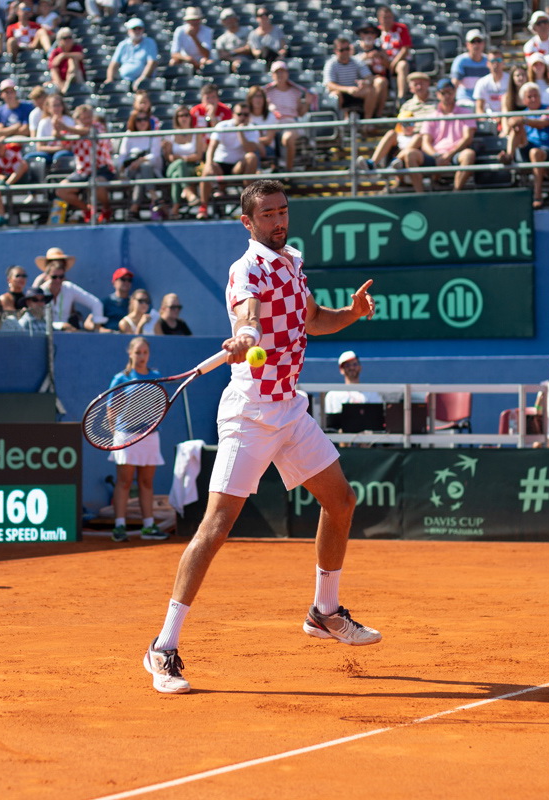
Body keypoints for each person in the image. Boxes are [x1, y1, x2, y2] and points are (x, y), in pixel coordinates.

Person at [143, 178, 379, 695]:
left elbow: (314, 319)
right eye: (267, 214)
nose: (279, 220)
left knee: (340, 502)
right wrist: (246, 334)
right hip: (250, 413)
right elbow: (248, 315)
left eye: (283, 211)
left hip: (290, 409)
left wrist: (353, 315)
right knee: (217, 526)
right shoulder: (244, 269)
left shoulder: (292, 260)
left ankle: (324, 612)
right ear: (247, 223)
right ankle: (163, 647)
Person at [107, 336, 167, 543]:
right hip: (126, 435)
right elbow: (111, 409)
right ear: (130, 353)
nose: (142, 357)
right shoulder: (120, 379)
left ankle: (148, 527)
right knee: (124, 482)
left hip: (149, 435)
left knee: (146, 482)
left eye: (145, 353)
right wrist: (116, 434)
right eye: (138, 352)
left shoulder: (156, 376)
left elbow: (159, 405)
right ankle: (120, 526)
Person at [197, 102, 262, 220]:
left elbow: (250, 149)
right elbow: (212, 147)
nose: (242, 117)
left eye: (246, 114)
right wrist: (208, 164)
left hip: (238, 167)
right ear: (233, 114)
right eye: (239, 114)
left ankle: (249, 201)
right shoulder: (222, 126)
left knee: (252, 157)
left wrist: (240, 133)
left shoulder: (253, 128)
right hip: (220, 166)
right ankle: (203, 207)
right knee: (207, 170)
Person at [324, 36, 378, 120]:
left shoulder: (357, 61)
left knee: (370, 91)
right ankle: (339, 124)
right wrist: (347, 89)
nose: (345, 52)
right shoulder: (331, 64)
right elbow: (329, 85)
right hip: (341, 93)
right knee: (336, 95)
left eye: (347, 49)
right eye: (342, 50)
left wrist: (365, 83)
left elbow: (369, 77)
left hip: (356, 91)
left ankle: (367, 122)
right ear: (336, 51)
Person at [323, 350, 382, 416]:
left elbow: (377, 419)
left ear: (360, 367)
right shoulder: (332, 395)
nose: (351, 367)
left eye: (354, 364)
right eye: (347, 365)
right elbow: (330, 423)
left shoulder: (372, 393)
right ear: (341, 370)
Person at [106, 17, 157, 90]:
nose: (137, 31)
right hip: (124, 81)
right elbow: (113, 64)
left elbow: (152, 63)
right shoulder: (122, 44)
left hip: (144, 82)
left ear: (143, 30)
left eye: (139, 28)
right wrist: (109, 79)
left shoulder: (150, 42)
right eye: (134, 29)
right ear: (128, 31)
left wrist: (142, 78)